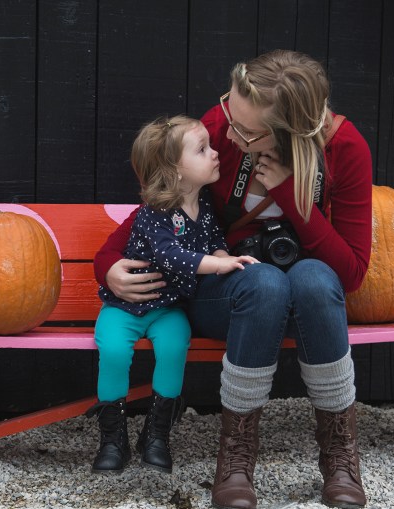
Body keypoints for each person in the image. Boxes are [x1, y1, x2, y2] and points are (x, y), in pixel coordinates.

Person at [94, 50, 373, 508]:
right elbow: (159, 208)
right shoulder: (222, 126)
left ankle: (340, 454)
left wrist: (291, 196)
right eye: (229, 113)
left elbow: (352, 273)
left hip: (311, 304)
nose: (227, 132)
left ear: (288, 132)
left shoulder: (345, 148)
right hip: (229, 295)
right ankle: (237, 456)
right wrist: (107, 264)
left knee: (313, 279)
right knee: (265, 283)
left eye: (245, 131)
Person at [87, 115, 259, 476]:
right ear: (175, 171)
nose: (215, 154)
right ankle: (112, 439)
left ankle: (157, 434)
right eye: (202, 150)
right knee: (114, 351)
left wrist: (224, 255)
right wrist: (218, 265)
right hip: (124, 307)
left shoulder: (204, 205)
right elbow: (170, 256)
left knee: (174, 348)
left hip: (168, 308)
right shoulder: (156, 211)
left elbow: (213, 238)